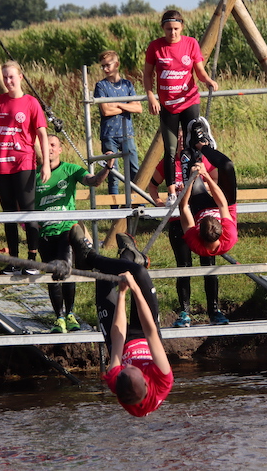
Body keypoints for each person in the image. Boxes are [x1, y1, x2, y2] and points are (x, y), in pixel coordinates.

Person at [88, 235, 173, 417]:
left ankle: (123, 256)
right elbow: (150, 332)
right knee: (139, 272)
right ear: (145, 381)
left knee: (103, 275)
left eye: (125, 367)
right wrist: (134, 289)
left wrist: (121, 294)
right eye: (132, 367)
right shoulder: (163, 380)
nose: (129, 365)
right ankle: (118, 256)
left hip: (123, 341)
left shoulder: (114, 379)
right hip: (144, 335)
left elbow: (118, 339)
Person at [36, 134, 112, 333]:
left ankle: (69, 314)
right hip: (45, 232)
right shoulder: (34, 174)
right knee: (52, 274)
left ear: (60, 149)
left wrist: (108, 167)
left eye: (53, 145)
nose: (50, 148)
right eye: (47, 145)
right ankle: (58, 317)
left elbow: (93, 181)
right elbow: (22, 200)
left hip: (65, 230)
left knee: (65, 269)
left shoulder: (70, 169)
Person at [143, 10, 218, 206]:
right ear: (163, 28)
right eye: (169, 29)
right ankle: (171, 193)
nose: (172, 33)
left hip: (189, 101)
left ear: (182, 27)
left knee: (192, 144)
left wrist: (208, 81)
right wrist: (151, 96)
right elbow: (148, 74)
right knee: (170, 148)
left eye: (176, 29)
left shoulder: (190, 43)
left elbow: (199, 71)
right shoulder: (155, 47)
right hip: (168, 105)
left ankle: (194, 185)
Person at [0, 60, 50, 275]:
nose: (8, 81)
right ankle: (13, 259)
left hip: (24, 163)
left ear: (20, 77)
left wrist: (46, 164)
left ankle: (32, 258)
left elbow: (41, 134)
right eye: (4, 77)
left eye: (11, 77)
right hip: (1, 165)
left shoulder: (31, 102)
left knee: (28, 211)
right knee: (9, 213)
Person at [155, 146, 228, 327]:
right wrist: (158, 202)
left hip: (202, 218)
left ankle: (214, 310)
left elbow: (217, 184)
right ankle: (184, 311)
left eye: (183, 138)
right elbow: (152, 184)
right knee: (184, 266)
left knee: (208, 266)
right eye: (177, 139)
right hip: (180, 219)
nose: (181, 143)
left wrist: (203, 180)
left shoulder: (201, 160)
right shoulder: (168, 163)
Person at [178, 119, 238, 260]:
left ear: (198, 231)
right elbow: (222, 204)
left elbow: (184, 207)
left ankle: (193, 147)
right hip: (227, 206)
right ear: (220, 229)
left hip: (200, 209)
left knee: (186, 155)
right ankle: (204, 146)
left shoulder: (195, 242)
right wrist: (206, 176)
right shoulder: (229, 235)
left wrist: (192, 181)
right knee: (227, 166)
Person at [94, 50, 142, 199]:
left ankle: (138, 203)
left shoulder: (127, 84)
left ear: (117, 64)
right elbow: (106, 111)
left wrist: (118, 104)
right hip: (109, 135)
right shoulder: (101, 86)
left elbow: (138, 108)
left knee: (134, 170)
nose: (105, 69)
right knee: (112, 172)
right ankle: (114, 209)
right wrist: (126, 104)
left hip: (127, 133)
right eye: (103, 66)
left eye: (108, 65)